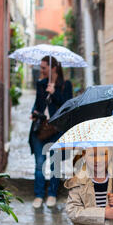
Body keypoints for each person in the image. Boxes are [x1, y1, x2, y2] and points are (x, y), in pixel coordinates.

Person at [29, 56, 73, 208]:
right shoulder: (41, 84)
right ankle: (39, 195)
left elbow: (67, 107)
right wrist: (33, 112)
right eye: (41, 68)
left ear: (53, 68)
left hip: (56, 130)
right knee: (39, 164)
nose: (41, 70)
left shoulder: (66, 85)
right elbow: (37, 104)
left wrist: (54, 92)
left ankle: (52, 194)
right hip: (40, 129)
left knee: (55, 164)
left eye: (43, 68)